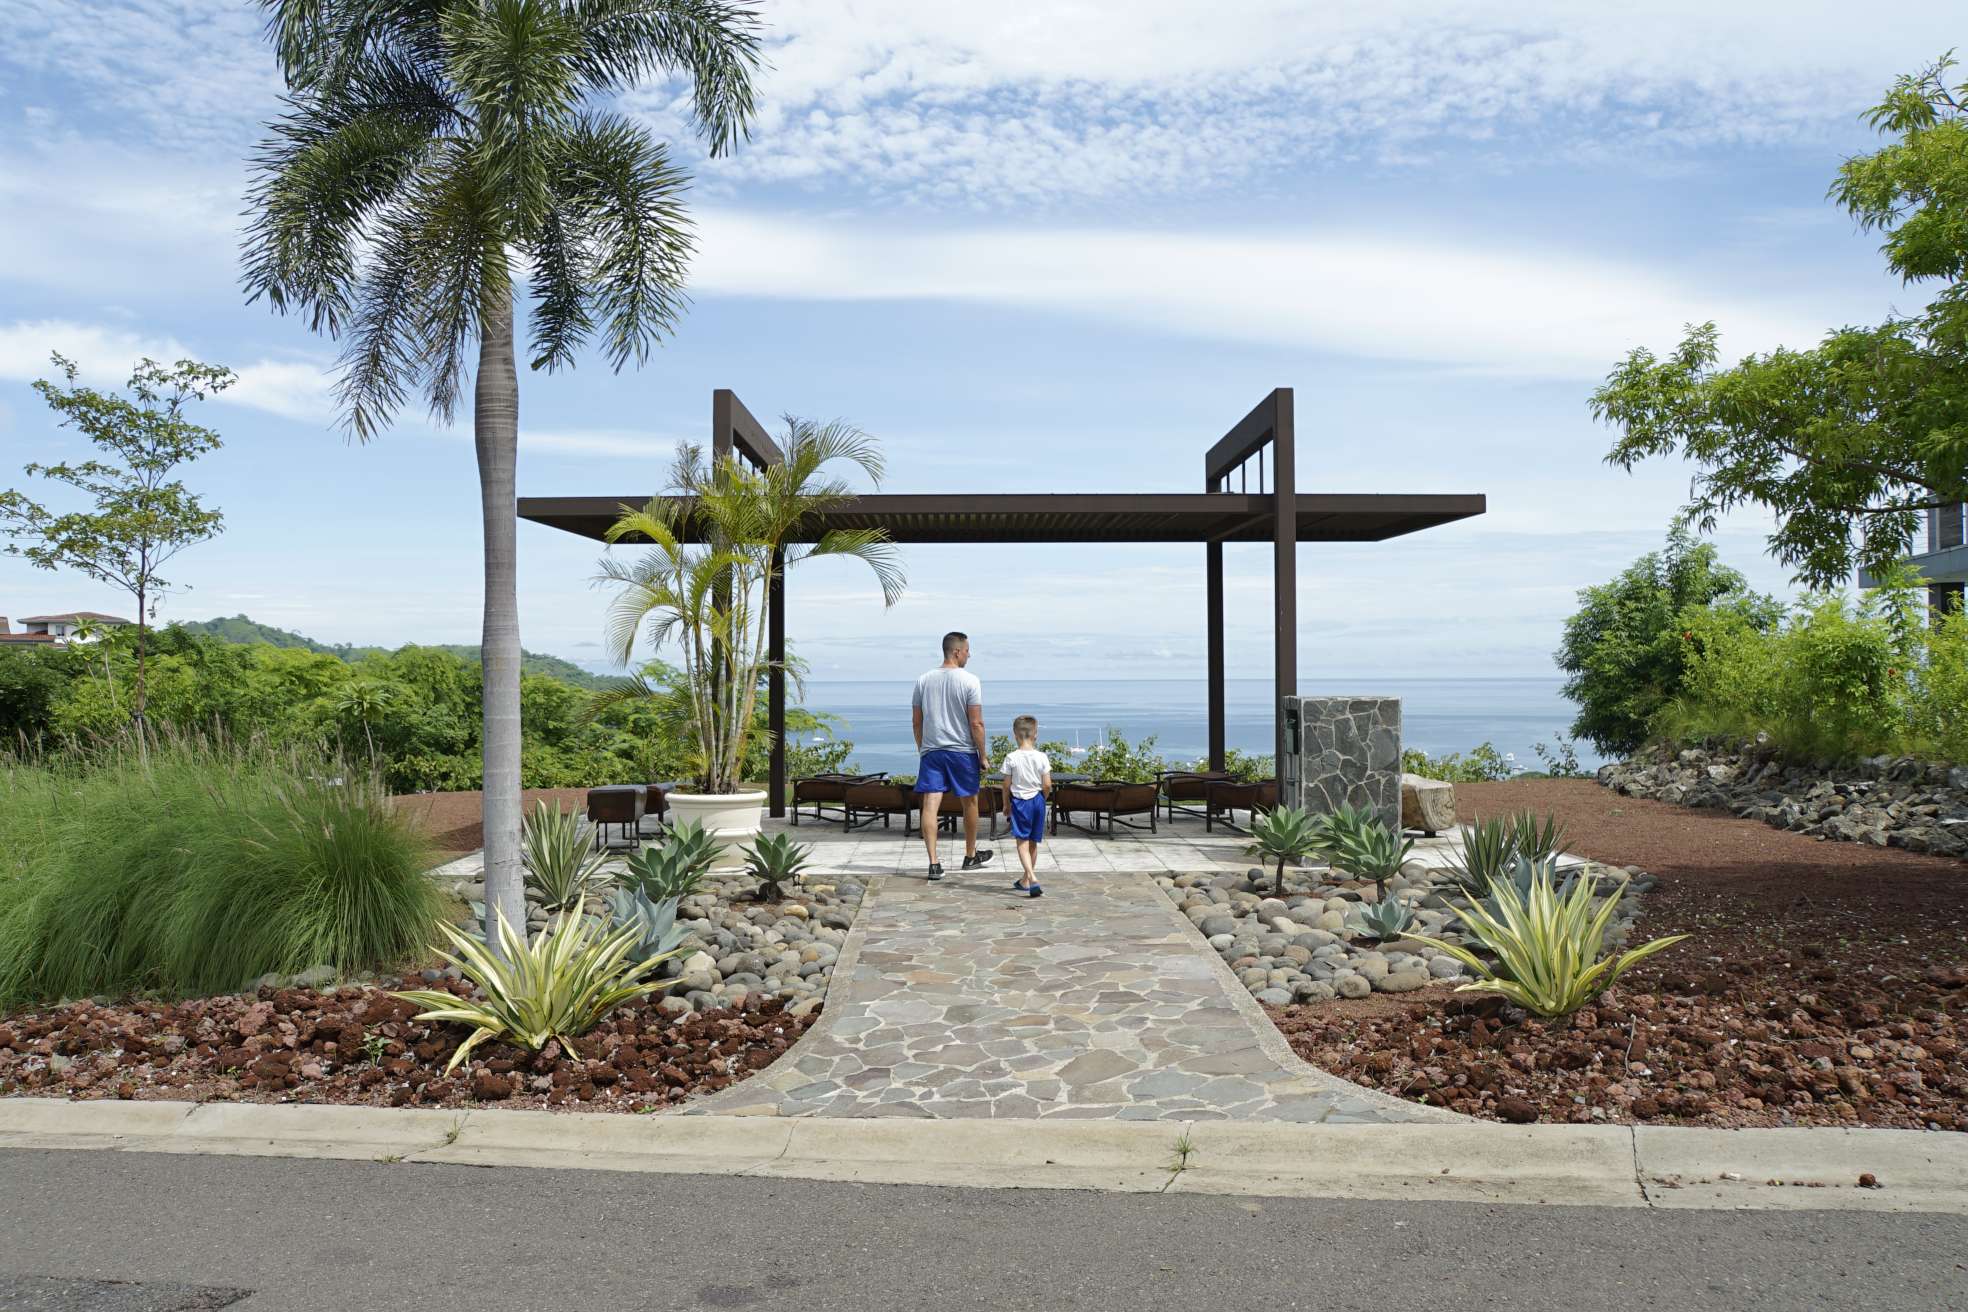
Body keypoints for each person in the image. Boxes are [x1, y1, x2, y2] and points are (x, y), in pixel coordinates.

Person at [911, 631, 992, 881]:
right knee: (970, 802)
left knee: (930, 804)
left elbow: (917, 721)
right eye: (967, 650)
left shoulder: (923, 680)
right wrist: (983, 755)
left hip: (932, 752)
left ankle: (934, 863)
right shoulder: (970, 681)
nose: (969, 655)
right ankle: (970, 855)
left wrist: (922, 748)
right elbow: (976, 723)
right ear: (957, 652)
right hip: (962, 751)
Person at [1000, 714, 1052, 897]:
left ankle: (1032, 877)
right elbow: (1047, 784)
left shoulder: (1011, 758)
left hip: (1021, 801)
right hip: (1038, 800)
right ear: (1035, 734)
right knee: (1033, 842)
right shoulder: (1042, 757)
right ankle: (1025, 880)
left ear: (1015, 734)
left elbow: (1006, 785)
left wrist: (1006, 804)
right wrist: (1043, 798)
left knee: (1022, 842)